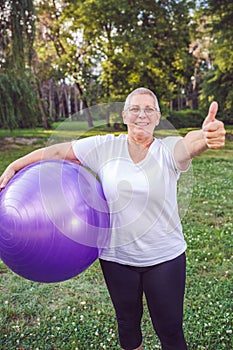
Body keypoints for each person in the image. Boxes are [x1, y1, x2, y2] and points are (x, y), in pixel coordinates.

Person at [0, 88, 226, 349]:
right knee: (128, 326)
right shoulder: (105, 147)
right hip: (117, 259)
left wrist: (206, 136)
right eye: (135, 109)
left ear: (158, 117)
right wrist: (16, 164)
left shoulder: (168, 150)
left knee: (170, 329)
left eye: (149, 109)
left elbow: (190, 143)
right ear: (124, 115)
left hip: (165, 257)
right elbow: (59, 153)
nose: (142, 114)